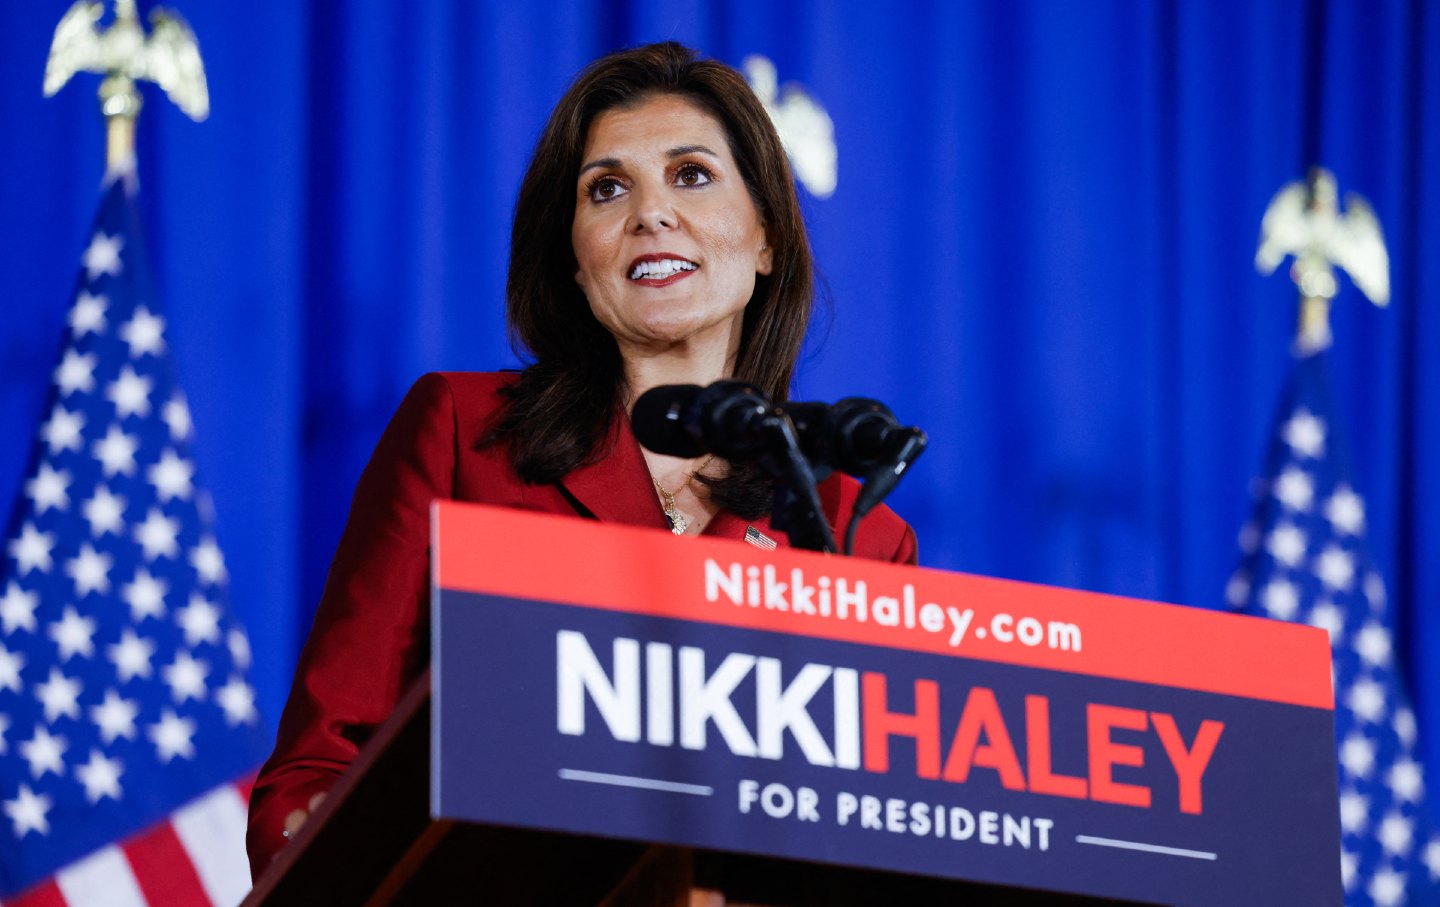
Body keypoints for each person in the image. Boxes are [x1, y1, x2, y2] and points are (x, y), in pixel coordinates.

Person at [245, 41, 917, 879]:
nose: (650, 213)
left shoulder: (856, 530)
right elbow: (314, 775)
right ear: (575, 255)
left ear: (768, 237)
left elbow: (865, 836)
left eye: (693, 175)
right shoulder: (463, 434)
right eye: (607, 188)